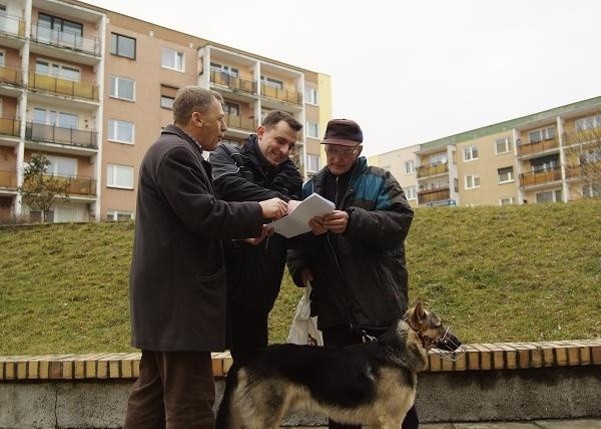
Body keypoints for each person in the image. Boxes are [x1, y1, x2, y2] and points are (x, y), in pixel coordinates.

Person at [123, 86, 288, 428]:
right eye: (220, 118)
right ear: (197, 118)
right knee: (192, 402)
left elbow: (190, 224)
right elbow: (205, 214)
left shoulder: (171, 150)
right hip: (179, 304)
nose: (224, 127)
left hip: (165, 303)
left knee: (151, 396)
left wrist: (241, 231)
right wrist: (260, 209)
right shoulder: (176, 154)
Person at [287, 118, 417, 429]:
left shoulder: (380, 180)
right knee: (341, 395)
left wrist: (352, 222)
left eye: (344, 151)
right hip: (334, 308)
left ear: (358, 150)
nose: (336, 157)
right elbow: (294, 238)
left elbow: (400, 222)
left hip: (379, 302)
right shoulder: (311, 187)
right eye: (330, 149)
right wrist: (300, 268)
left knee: (394, 395)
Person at [208, 110, 303, 357]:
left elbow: (293, 217)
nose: (285, 150)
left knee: (253, 366)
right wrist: (280, 202)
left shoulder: (292, 174)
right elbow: (228, 185)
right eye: (280, 141)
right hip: (219, 279)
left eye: (291, 146)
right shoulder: (227, 153)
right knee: (197, 366)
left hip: (260, 286)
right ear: (261, 132)